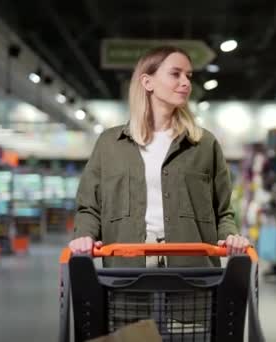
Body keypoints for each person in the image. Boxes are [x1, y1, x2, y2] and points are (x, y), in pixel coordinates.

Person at [68, 46, 250, 268]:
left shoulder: (204, 144)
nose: (186, 82)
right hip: (127, 271)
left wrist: (231, 236)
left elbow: (223, 212)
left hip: (191, 272)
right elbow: (89, 207)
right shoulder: (109, 145)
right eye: (175, 74)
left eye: (188, 76)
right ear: (147, 82)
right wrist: (84, 235)